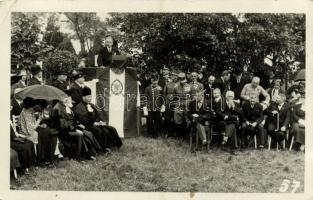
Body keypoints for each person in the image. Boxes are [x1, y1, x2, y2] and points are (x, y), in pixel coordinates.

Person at [74, 87, 123, 152]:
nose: (90, 98)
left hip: (96, 124)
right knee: (99, 131)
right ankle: (100, 148)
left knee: (111, 128)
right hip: (86, 125)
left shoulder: (92, 105)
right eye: (88, 97)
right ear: (83, 97)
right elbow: (82, 119)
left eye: (91, 96)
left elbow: (98, 115)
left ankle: (114, 145)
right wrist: (93, 123)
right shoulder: (79, 107)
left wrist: (100, 121)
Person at [54, 96, 100, 160]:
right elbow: (63, 124)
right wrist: (75, 129)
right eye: (66, 98)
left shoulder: (65, 106)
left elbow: (72, 120)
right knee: (80, 135)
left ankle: (89, 153)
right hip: (64, 132)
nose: (69, 99)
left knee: (86, 133)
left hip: (70, 128)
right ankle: (78, 157)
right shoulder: (58, 108)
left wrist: (78, 125)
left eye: (69, 98)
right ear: (61, 99)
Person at [143, 73, 165, 138]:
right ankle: (149, 132)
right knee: (149, 120)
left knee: (157, 120)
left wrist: (163, 106)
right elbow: (145, 98)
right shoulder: (147, 88)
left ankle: (156, 133)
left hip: (157, 107)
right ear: (151, 81)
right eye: (153, 80)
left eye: (155, 80)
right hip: (149, 107)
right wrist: (145, 107)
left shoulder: (160, 88)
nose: (154, 82)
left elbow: (162, 98)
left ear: (157, 80)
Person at [173, 72, 191, 138]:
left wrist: (189, 103)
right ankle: (179, 135)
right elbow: (174, 96)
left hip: (187, 104)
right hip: (179, 103)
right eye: (180, 80)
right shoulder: (176, 86)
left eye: (183, 80)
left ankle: (186, 135)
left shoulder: (189, 86)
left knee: (187, 119)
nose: (182, 82)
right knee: (177, 119)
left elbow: (191, 96)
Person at [163, 71, 179, 137]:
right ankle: (168, 132)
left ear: (177, 76)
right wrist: (165, 101)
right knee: (168, 118)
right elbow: (164, 93)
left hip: (176, 102)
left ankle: (175, 133)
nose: (174, 77)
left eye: (175, 75)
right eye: (172, 75)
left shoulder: (179, 84)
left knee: (176, 118)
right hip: (168, 102)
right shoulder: (168, 84)